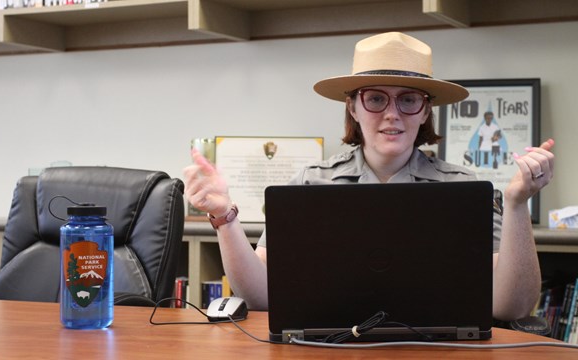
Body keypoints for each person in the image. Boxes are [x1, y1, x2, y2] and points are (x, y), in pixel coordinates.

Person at [183, 32, 555, 321]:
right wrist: (224, 217)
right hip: (327, 349)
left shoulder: (464, 188)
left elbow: (512, 308)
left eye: (408, 99)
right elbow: (261, 295)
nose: (392, 114)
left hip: (437, 349)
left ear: (425, 111)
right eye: (376, 99)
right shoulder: (309, 184)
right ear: (353, 107)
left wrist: (517, 204)